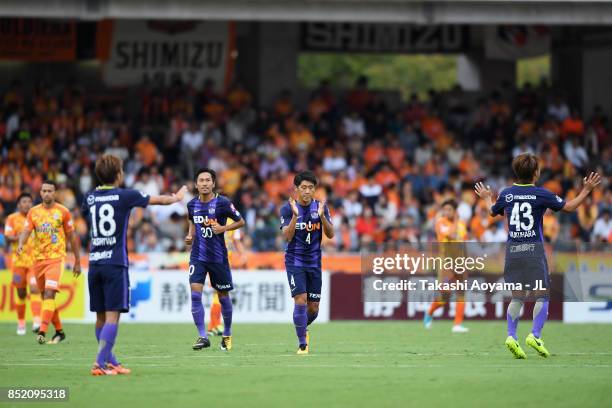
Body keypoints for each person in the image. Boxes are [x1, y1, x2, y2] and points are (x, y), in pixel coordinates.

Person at [475, 153, 601, 359]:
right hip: (533, 251)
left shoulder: (507, 194)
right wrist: (587, 189)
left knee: (518, 296)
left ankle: (511, 335)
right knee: (542, 294)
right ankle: (535, 335)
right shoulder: (541, 194)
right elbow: (569, 207)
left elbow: (491, 212)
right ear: (536, 173)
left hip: (513, 252)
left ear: (516, 172)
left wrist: (487, 197)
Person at [82, 154, 187, 375]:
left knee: (100, 316)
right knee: (112, 316)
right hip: (115, 263)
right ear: (119, 175)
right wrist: (177, 197)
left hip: (94, 263)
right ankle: (99, 363)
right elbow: (158, 200)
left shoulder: (89, 198)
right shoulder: (125, 196)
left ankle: (111, 361)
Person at [185, 168, 245, 351]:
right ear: (196, 184)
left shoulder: (223, 203)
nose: (204, 183)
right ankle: (203, 336)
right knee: (195, 294)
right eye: (201, 180)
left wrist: (223, 229)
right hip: (198, 257)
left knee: (223, 296)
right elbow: (191, 220)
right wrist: (190, 235)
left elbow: (241, 221)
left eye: (207, 180)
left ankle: (227, 334)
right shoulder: (191, 205)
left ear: (213, 183)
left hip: (218, 257)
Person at [18, 181, 81, 345]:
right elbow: (26, 231)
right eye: (44, 191)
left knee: (49, 293)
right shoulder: (33, 212)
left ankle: (42, 331)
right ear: (40, 193)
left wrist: (77, 261)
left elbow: (72, 237)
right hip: (38, 260)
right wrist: (20, 244)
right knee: (46, 298)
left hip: (56, 259)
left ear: (55, 193)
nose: (47, 193)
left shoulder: (63, 212)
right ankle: (59, 331)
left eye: (50, 191)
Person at [280, 171, 334, 355]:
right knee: (300, 300)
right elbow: (287, 237)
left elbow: (331, 234)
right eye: (303, 187)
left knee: (314, 308)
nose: (307, 191)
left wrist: (322, 217)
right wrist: (295, 217)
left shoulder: (320, 207)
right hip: (295, 261)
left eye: (311, 188)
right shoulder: (287, 209)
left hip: (315, 262)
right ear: (296, 189)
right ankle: (302, 344)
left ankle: (301, 326)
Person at [424, 199, 469, 333]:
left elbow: (463, 242)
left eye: (449, 209)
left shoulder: (462, 224)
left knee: (461, 293)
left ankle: (457, 325)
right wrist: (456, 220)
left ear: (454, 211)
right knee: (445, 295)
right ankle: (430, 312)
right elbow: (451, 234)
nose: (446, 212)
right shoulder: (440, 223)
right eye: (445, 209)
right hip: (446, 263)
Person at [4, 193, 41, 335]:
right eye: (23, 201)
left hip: (34, 261)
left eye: (29, 201)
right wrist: (20, 236)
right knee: (20, 293)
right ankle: (21, 323)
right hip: (18, 262)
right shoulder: (11, 219)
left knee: (34, 289)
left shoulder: (37, 217)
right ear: (18, 204)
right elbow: (7, 238)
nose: (26, 204)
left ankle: (36, 321)